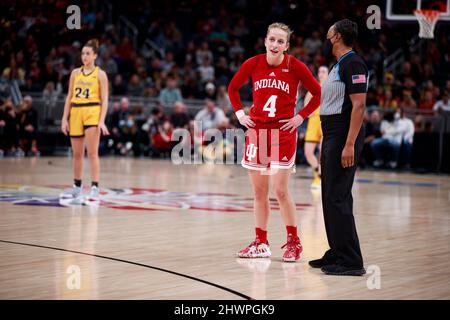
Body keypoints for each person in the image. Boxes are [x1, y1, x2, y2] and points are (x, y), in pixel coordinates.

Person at [228, 23, 321, 262]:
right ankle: (261, 242)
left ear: (287, 46)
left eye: (281, 41)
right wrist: (240, 114)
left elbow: (318, 93)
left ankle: (294, 242)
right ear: (265, 41)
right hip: (257, 132)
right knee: (259, 193)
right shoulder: (253, 63)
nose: (275, 44)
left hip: (283, 132)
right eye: (272, 39)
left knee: (280, 190)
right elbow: (233, 88)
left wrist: (301, 116)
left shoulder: (295, 66)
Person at [309, 19, 367, 276]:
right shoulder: (339, 64)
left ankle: (352, 261)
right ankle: (337, 250)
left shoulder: (354, 63)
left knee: (338, 196)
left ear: (338, 37)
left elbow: (359, 106)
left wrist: (349, 144)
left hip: (344, 132)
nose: (326, 37)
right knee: (329, 194)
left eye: (329, 33)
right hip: (332, 131)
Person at [60, 39, 110, 201]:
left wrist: (101, 121)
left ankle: (95, 186)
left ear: (95, 56)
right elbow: (69, 97)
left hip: (92, 111)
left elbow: (105, 99)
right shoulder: (75, 73)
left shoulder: (100, 74)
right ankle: (77, 186)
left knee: (92, 153)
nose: (84, 56)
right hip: (76, 112)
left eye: (88, 53)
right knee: (77, 154)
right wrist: (64, 119)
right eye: (82, 53)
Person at [303, 65, 328, 189]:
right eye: (320, 71)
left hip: (325, 121)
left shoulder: (331, 87)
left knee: (322, 153)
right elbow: (306, 103)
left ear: (328, 74)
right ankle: (319, 172)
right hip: (313, 121)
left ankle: (320, 179)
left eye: (324, 71)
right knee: (308, 152)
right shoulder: (313, 87)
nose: (321, 73)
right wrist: (308, 111)